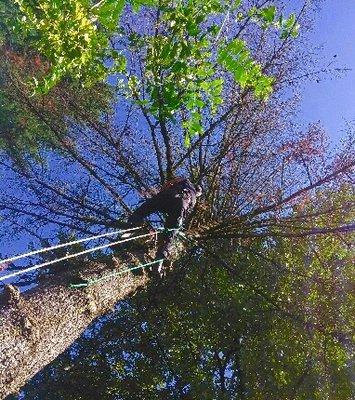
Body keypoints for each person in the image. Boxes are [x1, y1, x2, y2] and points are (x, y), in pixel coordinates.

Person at [125, 177, 202, 275]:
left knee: (142, 211)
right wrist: (177, 223)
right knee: (169, 235)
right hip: (180, 206)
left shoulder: (185, 180)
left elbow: (170, 183)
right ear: (198, 192)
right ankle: (159, 261)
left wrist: (161, 194)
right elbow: (184, 213)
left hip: (169, 195)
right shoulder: (194, 200)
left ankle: (132, 227)